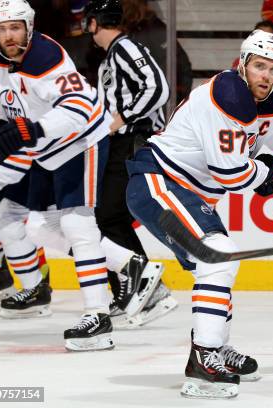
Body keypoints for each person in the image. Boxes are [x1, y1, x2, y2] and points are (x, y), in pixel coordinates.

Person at [124, 29, 273, 399]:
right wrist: (269, 172)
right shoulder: (228, 96)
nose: (265, 75)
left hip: (185, 195)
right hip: (158, 185)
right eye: (259, 66)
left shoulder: (262, 104)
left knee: (217, 264)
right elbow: (231, 175)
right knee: (218, 257)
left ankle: (214, 348)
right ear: (243, 64)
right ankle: (204, 361)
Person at [0, 0, 116, 351]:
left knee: (78, 225)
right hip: (46, 149)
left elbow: (79, 110)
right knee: (38, 226)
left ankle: (98, 315)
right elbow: (5, 102)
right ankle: (131, 268)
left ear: (30, 27)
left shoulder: (46, 56)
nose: (9, 36)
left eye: (16, 27)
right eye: (2, 29)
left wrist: (27, 130)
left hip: (81, 141)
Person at [82, 0, 175, 329]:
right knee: (106, 216)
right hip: (120, 144)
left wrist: (121, 119)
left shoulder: (124, 48)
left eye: (87, 21)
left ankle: (148, 289)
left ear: (95, 22)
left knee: (108, 215)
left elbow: (158, 88)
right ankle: (130, 291)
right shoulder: (114, 53)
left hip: (133, 143)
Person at [0, 35, 52, 318]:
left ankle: (39, 283)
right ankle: (2, 277)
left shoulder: (13, 82)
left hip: (23, 164)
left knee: (41, 226)